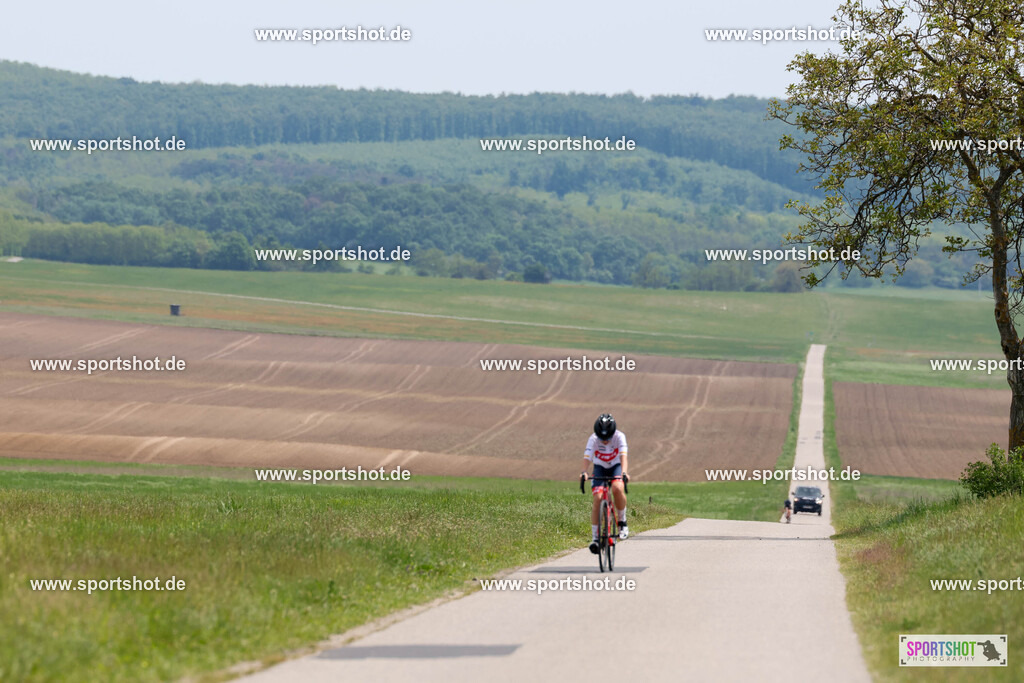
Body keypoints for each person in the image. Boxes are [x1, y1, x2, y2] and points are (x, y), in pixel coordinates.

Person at [580, 413, 629, 553]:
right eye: (602, 438)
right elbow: (587, 457)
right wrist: (584, 471)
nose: (605, 441)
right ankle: (595, 538)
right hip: (600, 468)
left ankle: (622, 522)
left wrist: (624, 473)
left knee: (617, 488)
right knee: (598, 498)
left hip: (615, 467)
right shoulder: (593, 439)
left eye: (608, 438)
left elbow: (623, 457)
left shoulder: (620, 437)